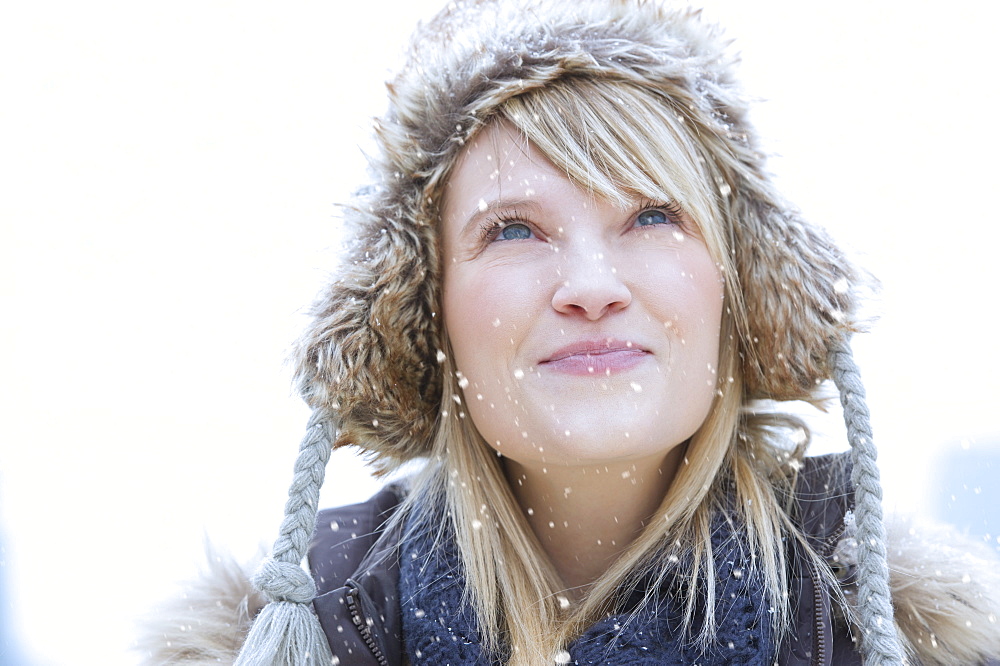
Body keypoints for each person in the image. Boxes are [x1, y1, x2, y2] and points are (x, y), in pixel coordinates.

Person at [140, 1, 1000, 664]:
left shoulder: (902, 632)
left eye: (653, 215)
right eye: (514, 230)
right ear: (420, 304)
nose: (591, 286)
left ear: (739, 287)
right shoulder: (307, 633)